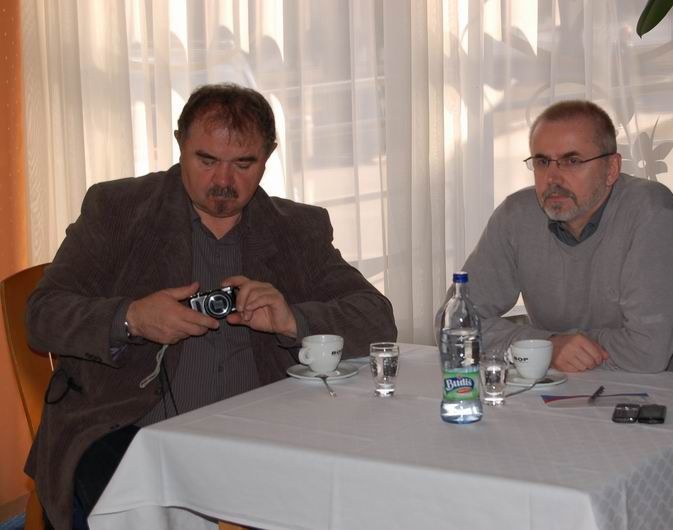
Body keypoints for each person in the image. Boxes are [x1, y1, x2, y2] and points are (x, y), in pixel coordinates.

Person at [25, 83, 397, 529]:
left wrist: (293, 320)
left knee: (365, 492)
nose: (223, 181)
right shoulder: (118, 209)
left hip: (263, 432)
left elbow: (376, 318)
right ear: (180, 145)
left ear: (268, 157)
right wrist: (132, 318)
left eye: (243, 164)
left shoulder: (297, 228)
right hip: (129, 427)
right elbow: (42, 315)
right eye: (206, 160)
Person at [438, 100, 673, 374]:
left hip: (668, 391)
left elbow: (646, 353)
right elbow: (453, 322)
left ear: (611, 169)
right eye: (542, 162)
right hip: (561, 388)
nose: (552, 178)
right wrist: (549, 346)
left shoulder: (650, 211)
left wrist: (552, 347)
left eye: (572, 161)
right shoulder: (516, 215)